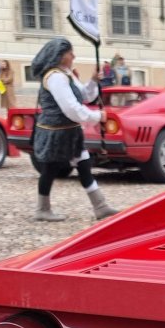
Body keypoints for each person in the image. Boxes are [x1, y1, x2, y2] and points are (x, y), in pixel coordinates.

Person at [29, 36, 118, 222]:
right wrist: (96, 117)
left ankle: (100, 207)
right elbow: (70, 108)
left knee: (84, 164)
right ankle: (42, 209)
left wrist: (93, 81)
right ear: (61, 56)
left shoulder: (66, 74)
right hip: (56, 131)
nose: (74, 56)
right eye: (70, 53)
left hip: (70, 130)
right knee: (50, 169)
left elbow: (83, 96)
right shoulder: (55, 77)